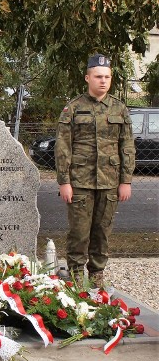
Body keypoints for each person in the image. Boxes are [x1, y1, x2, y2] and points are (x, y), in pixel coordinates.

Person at [54, 53, 135, 287]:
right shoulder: (73, 108)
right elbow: (62, 146)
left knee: (102, 232)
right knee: (79, 233)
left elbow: (127, 145)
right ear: (87, 78)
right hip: (79, 181)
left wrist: (125, 180)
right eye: (98, 76)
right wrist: (64, 181)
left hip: (109, 181)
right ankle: (77, 276)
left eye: (107, 77)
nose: (103, 81)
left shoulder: (119, 109)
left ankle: (97, 275)